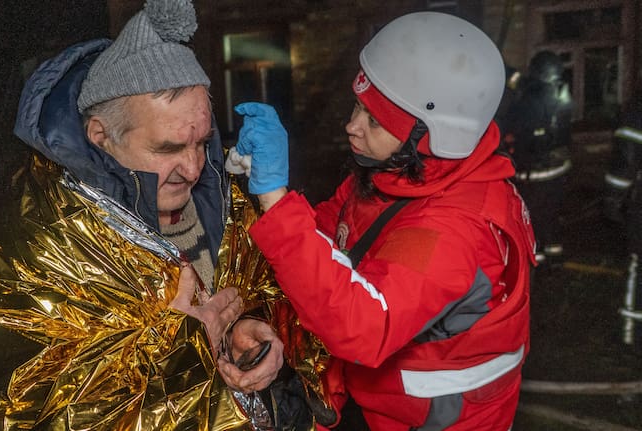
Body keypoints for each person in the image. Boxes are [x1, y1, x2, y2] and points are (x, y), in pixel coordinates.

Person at [0, 1, 318, 429]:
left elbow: (280, 298)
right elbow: (17, 411)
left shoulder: (223, 201)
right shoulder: (36, 241)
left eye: (201, 142)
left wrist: (260, 334)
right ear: (101, 137)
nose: (195, 167)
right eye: (169, 148)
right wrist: (181, 347)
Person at [229, 11, 536, 430]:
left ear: (429, 136)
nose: (351, 126)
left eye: (374, 120)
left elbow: (361, 326)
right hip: (376, 399)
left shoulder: (454, 229)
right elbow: (330, 234)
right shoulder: (400, 174)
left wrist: (275, 199)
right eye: (358, 106)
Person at [500, 50, 574, 264]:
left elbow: (512, 124)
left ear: (536, 72)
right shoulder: (562, 93)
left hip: (535, 169)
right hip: (559, 167)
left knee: (532, 213)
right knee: (552, 211)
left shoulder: (529, 99)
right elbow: (520, 81)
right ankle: (554, 251)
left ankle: (537, 255)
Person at [604, 90, 642, 347]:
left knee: (637, 266)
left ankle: (632, 333)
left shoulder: (636, 116)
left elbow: (624, 164)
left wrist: (613, 200)